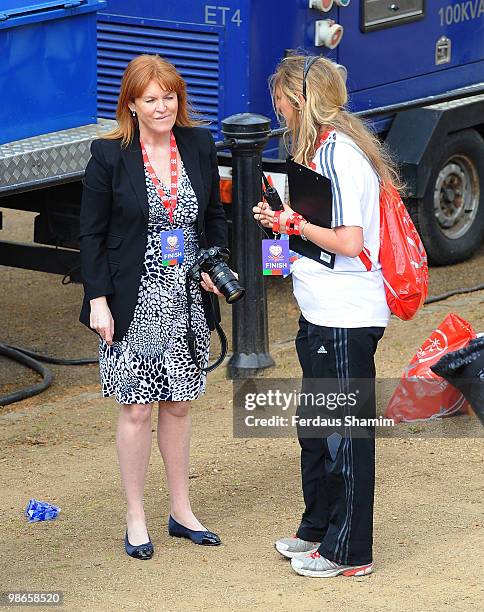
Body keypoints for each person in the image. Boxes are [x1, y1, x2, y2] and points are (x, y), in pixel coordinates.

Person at [253, 54, 401, 578]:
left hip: (346, 314)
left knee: (345, 432)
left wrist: (291, 223)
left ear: (299, 101)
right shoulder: (320, 150)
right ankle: (317, 528)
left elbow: (348, 242)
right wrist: (282, 227)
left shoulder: (339, 155)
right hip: (321, 309)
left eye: (280, 99)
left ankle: (349, 550)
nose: (275, 109)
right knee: (316, 429)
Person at [79, 54, 227, 560]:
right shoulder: (108, 155)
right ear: (132, 105)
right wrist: (97, 300)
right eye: (151, 99)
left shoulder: (199, 145)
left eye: (170, 97)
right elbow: (91, 235)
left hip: (184, 300)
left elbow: (214, 218)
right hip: (131, 300)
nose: (163, 106)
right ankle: (136, 514)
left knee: (180, 406)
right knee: (137, 410)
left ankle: (181, 510)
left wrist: (213, 263)